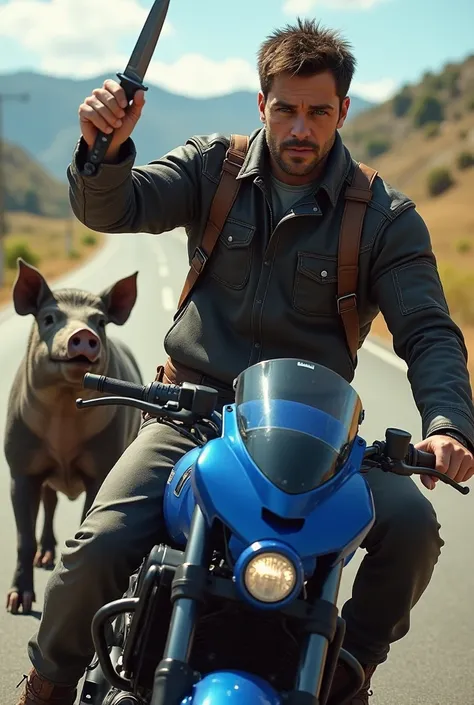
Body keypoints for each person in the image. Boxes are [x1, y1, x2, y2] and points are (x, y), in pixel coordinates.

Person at [15, 18, 474, 705]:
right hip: (193, 418)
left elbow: (432, 331)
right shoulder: (214, 167)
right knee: (96, 546)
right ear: (262, 104)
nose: (299, 128)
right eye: (285, 109)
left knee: (414, 528)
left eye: (318, 112)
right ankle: (46, 686)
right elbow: (119, 205)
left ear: (343, 110)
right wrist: (101, 152)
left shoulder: (383, 216)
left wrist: (448, 425)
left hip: (314, 441)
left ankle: (348, 675)